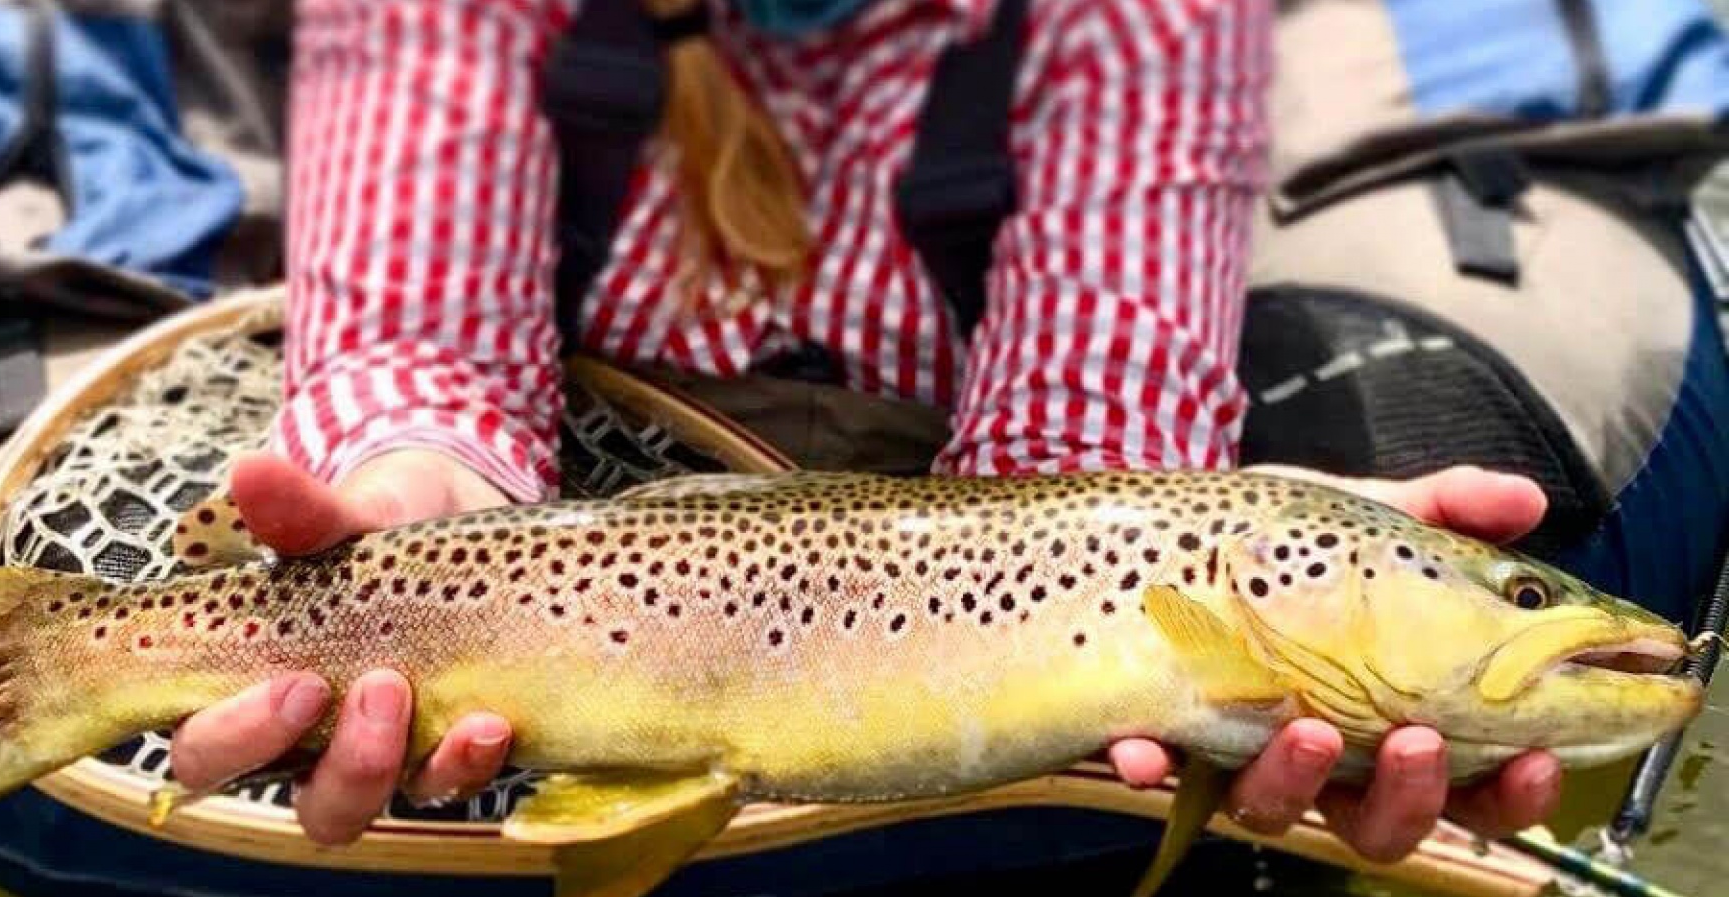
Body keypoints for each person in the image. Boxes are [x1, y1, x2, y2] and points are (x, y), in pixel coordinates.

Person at [166, 0, 1562, 870]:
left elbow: (1073, 463)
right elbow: (426, 359)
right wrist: (407, 487)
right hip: (582, 526)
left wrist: (1246, 560)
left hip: (915, 516)